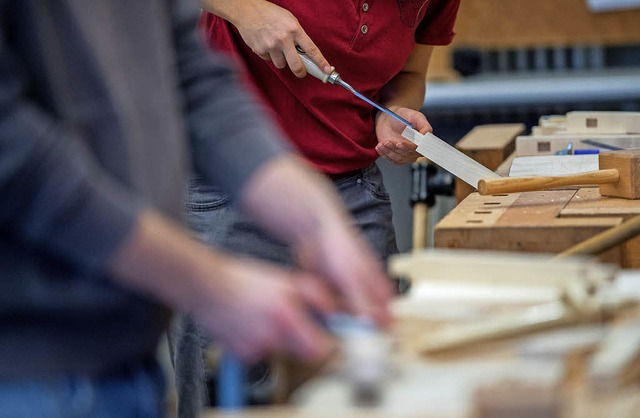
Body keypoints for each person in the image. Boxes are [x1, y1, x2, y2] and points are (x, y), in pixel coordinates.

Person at [0, 2, 392, 417]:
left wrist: (319, 221)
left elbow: (191, 77)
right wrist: (210, 284)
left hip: (125, 357)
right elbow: (15, 155)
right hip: (25, 372)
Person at [171, 0, 461, 416]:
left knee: (369, 383)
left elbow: (410, 74)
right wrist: (245, 10)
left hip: (353, 195)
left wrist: (396, 112)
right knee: (226, 394)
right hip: (232, 190)